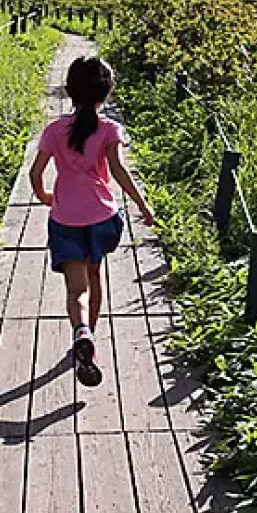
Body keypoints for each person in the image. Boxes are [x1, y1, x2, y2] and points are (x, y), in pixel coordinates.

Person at [29, 56, 155, 386]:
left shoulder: (55, 130)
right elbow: (118, 171)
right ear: (107, 93)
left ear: (70, 91)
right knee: (95, 273)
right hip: (101, 217)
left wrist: (45, 197)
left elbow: (36, 173)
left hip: (65, 219)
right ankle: (92, 338)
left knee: (76, 290)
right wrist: (143, 205)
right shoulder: (110, 130)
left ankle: (80, 330)